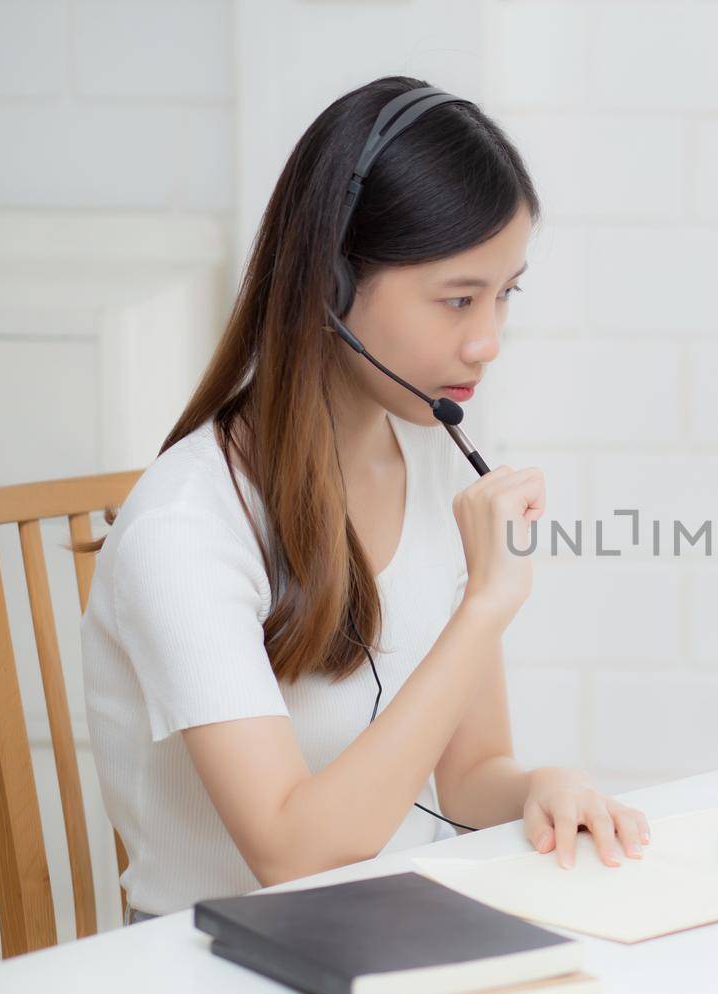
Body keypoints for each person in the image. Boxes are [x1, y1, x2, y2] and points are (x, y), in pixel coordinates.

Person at [83, 76, 649, 922]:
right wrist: (483, 608)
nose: (488, 339)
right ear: (333, 288)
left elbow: (467, 775)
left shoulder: (433, 465)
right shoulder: (185, 529)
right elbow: (291, 851)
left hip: (384, 935)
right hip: (206, 979)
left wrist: (544, 784)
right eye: (458, 298)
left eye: (505, 295)